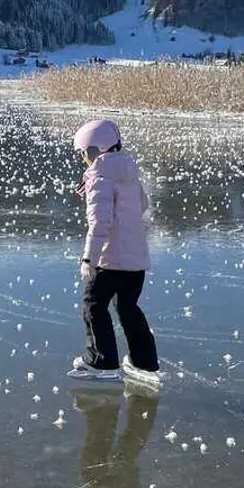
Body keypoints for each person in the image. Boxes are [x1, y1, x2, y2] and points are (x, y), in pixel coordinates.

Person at [71, 118, 158, 382]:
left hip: (109, 261)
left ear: (95, 150)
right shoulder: (129, 173)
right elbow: (142, 205)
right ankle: (144, 363)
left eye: (84, 153)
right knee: (128, 308)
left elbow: (100, 223)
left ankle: (102, 361)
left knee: (93, 305)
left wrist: (89, 258)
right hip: (136, 261)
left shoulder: (98, 177)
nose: (84, 159)